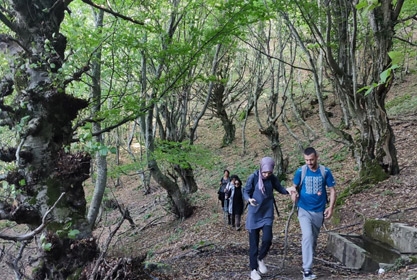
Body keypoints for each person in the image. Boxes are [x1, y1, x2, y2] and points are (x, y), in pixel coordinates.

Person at [289, 147, 336, 280]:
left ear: (317, 157)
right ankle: (307, 270)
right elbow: (294, 188)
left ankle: (308, 262)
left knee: (313, 240)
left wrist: (331, 208)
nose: (309, 162)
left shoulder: (324, 171)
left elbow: (332, 190)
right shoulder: (301, 171)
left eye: (311, 159)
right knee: (307, 236)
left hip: (319, 211)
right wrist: (294, 194)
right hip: (304, 209)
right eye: (306, 160)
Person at [243, 157, 293, 280]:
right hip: (254, 214)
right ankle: (253, 270)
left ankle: (261, 258)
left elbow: (280, 189)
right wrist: (249, 199)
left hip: (267, 213)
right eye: (265, 172)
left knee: (267, 239)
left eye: (269, 173)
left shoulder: (272, 178)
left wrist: (289, 190)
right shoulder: (253, 177)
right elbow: (245, 191)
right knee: (253, 244)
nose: (266, 175)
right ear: (261, 168)